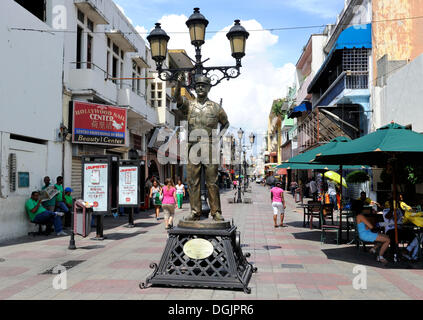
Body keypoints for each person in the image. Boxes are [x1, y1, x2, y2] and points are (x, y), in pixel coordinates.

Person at [174, 74, 228, 222]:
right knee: (193, 181)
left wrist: (218, 138)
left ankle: (216, 212)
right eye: (197, 85)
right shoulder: (189, 105)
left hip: (210, 146)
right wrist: (179, 85)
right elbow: (177, 100)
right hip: (193, 146)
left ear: (209, 88)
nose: (200, 88)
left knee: (212, 181)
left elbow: (226, 123)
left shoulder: (216, 108)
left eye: (203, 85)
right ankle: (195, 211)